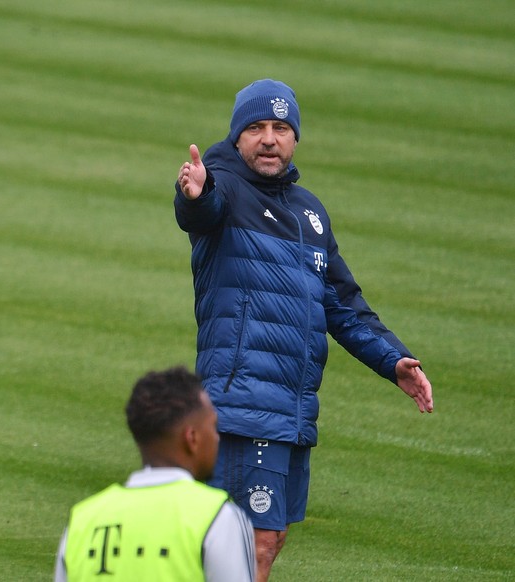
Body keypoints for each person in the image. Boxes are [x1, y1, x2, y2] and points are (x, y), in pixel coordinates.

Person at [174, 79, 433, 582]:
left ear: (295, 139)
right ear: (236, 137)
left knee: (263, 541)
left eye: (280, 128)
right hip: (244, 404)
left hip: (290, 409)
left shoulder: (309, 214)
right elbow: (198, 211)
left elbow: (342, 303)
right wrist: (195, 195)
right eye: (255, 128)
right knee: (252, 542)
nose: (269, 139)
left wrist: (393, 360)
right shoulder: (222, 186)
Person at [54, 366, 256, 581]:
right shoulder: (218, 517)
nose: (217, 438)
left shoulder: (83, 520)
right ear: (192, 438)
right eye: (213, 427)